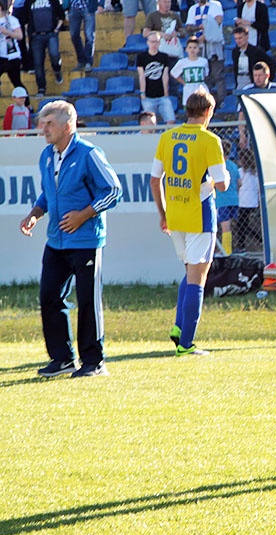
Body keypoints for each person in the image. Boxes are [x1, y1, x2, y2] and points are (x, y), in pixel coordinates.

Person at [19, 100, 122, 378]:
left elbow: (113, 191)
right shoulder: (46, 156)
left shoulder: (89, 153)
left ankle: (94, 362)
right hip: (56, 241)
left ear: (68, 125)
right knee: (49, 297)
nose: (43, 129)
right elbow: (47, 193)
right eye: (42, 123)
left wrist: (83, 215)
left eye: (49, 123)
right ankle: (62, 359)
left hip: (87, 240)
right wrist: (35, 214)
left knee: (88, 301)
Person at [149, 89, 230, 356]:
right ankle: (186, 344)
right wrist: (223, 175)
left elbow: (154, 179)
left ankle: (178, 328)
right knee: (198, 278)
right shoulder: (209, 140)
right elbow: (222, 184)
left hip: (176, 214)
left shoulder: (167, 136)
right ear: (208, 112)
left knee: (189, 272)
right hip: (200, 215)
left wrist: (163, 214)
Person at [185, 0, 226, 104]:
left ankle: (222, 101)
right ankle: (205, 101)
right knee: (204, 77)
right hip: (199, 45)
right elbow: (189, 26)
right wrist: (200, 27)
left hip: (214, 44)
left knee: (217, 75)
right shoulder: (193, 9)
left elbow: (218, 20)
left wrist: (206, 33)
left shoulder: (215, 5)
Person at [21, 0, 65, 97]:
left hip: (51, 34)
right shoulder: (29, 2)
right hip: (36, 36)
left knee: (54, 54)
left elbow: (61, 15)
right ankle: (41, 88)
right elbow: (25, 19)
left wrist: (56, 29)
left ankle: (57, 70)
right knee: (38, 63)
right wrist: (30, 32)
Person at [137, 31, 176, 125]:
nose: (154, 44)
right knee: (149, 123)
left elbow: (165, 75)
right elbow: (141, 76)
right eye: (152, 41)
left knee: (171, 119)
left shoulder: (164, 57)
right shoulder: (141, 57)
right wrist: (142, 93)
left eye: (156, 42)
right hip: (148, 96)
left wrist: (166, 92)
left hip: (162, 95)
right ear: (147, 42)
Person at [234, 147, 263, 252]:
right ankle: (258, 238)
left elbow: (238, 185)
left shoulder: (240, 172)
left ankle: (242, 246)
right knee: (243, 224)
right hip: (253, 201)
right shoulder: (255, 172)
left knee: (241, 225)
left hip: (243, 202)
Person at [143, 0, 186, 66]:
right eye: (164, 2)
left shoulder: (175, 16)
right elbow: (145, 33)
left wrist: (177, 33)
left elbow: (183, 32)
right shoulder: (152, 16)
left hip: (173, 46)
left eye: (169, 2)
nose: (167, 4)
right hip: (158, 45)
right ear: (159, 2)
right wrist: (160, 34)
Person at [231, 25, 275, 90]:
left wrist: (266, 80)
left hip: (252, 84)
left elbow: (272, 63)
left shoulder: (256, 51)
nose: (238, 41)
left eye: (240, 38)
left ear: (247, 37)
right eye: (236, 38)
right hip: (239, 83)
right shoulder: (235, 52)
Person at [171, 36, 210, 107]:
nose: (192, 50)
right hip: (189, 89)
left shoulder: (203, 61)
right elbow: (173, 73)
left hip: (201, 88)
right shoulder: (182, 62)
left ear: (198, 49)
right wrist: (183, 82)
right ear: (186, 49)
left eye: (195, 47)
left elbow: (206, 74)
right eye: (190, 47)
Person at [217, 138, 240, 254]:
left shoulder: (219, 165)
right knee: (230, 226)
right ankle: (227, 248)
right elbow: (239, 183)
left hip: (222, 200)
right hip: (234, 199)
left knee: (225, 227)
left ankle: (227, 251)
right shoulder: (233, 165)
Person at [0, 5, 26, 94]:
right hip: (1, 55)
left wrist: (6, 32)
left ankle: (27, 105)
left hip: (12, 56)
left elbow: (20, 36)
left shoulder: (11, 20)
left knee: (16, 82)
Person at [69, 0, 98, 71]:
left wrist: (101, 4)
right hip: (74, 6)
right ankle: (81, 60)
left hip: (88, 5)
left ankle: (88, 61)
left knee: (89, 35)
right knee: (74, 35)